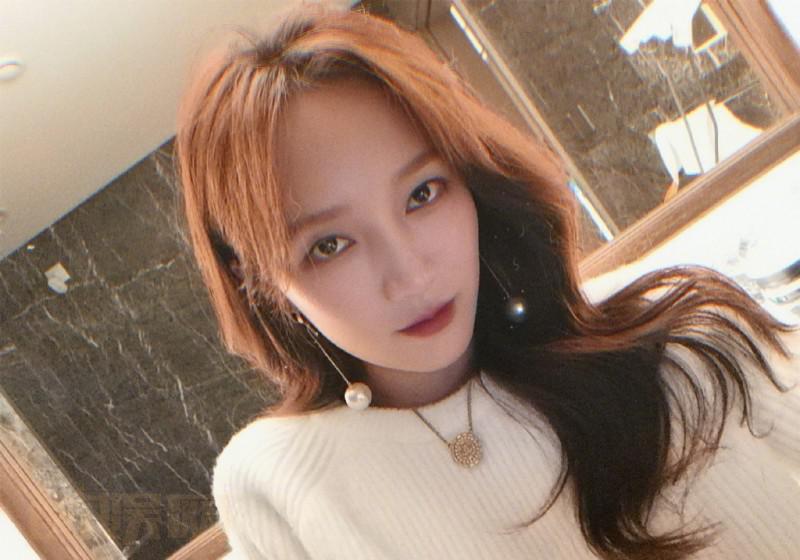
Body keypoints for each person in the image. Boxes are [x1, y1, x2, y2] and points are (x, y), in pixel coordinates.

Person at [173, 4, 800, 559]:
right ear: (255, 277)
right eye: (329, 245)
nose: (410, 273)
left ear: (472, 178)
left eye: (423, 193)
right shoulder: (283, 484)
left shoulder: (674, 341)